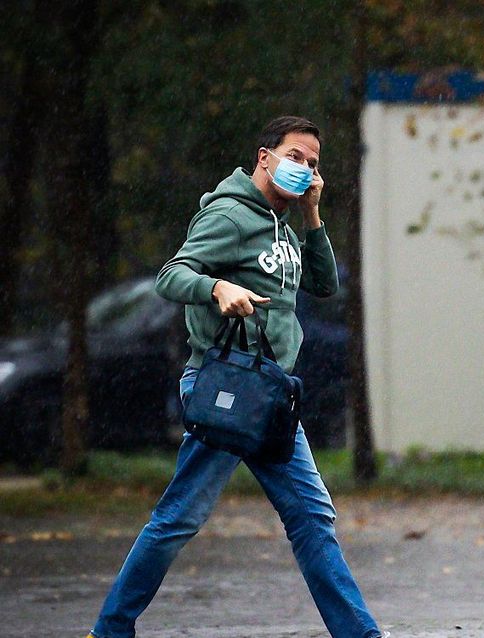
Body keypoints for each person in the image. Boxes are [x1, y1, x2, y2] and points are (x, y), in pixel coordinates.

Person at [86, 116, 389, 638]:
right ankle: (110, 630)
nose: (305, 169)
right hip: (226, 386)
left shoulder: (286, 226)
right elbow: (171, 275)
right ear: (264, 157)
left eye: (314, 164)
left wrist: (313, 215)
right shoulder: (228, 215)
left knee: (313, 519)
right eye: (296, 157)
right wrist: (216, 288)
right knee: (180, 518)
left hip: (271, 395)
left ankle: (360, 634)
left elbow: (322, 284)